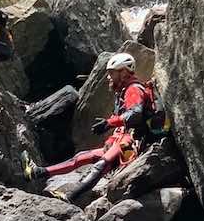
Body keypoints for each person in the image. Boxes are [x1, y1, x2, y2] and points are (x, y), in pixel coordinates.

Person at [23, 52, 169, 202]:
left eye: (111, 73)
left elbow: (135, 113)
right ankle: (37, 172)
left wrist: (108, 124)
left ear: (123, 72)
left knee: (102, 163)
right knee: (80, 158)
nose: (108, 77)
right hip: (125, 140)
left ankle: (69, 196)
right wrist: (111, 136)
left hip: (134, 141)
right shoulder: (124, 91)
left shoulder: (133, 89)